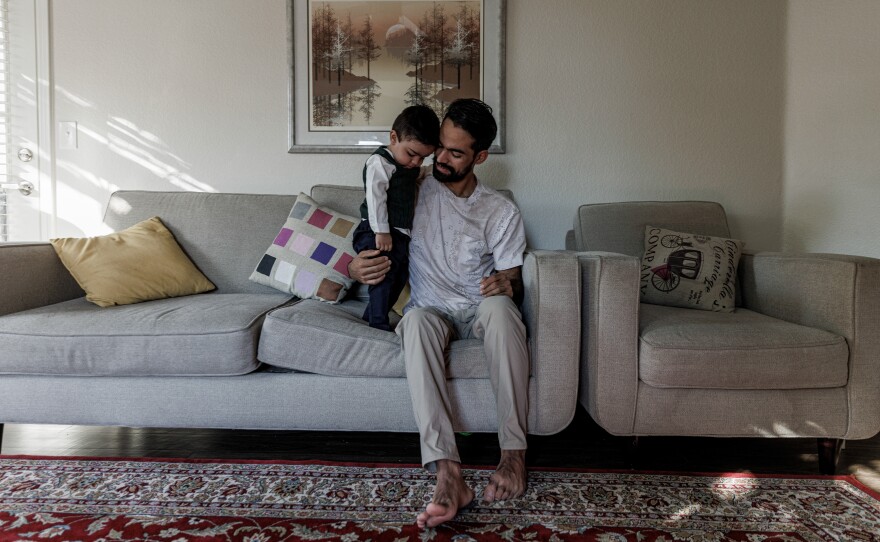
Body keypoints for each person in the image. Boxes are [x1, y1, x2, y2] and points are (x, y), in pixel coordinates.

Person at [349, 98, 528, 528]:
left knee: (504, 313)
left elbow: (514, 278)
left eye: (455, 152)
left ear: (480, 156)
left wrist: (508, 283)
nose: (440, 159)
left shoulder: (500, 211)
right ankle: (448, 472)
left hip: (480, 308)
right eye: (439, 148)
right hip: (431, 308)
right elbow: (368, 232)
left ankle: (514, 455)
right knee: (414, 322)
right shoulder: (411, 189)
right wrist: (355, 267)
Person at [353, 105, 440, 331]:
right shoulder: (380, 162)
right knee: (383, 277)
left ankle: (370, 316)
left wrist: (434, 169)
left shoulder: (409, 167)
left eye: (423, 157)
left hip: (400, 235)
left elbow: (418, 175)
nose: (415, 162)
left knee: (399, 278)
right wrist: (381, 230)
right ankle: (378, 324)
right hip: (377, 231)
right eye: (412, 154)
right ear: (394, 137)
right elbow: (375, 198)